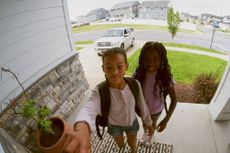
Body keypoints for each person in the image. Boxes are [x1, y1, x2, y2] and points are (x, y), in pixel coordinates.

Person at [62, 48, 154, 153]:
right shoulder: (100, 91)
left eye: (119, 66)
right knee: (120, 145)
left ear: (126, 66)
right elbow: (89, 108)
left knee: (132, 144)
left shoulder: (135, 84)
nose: (115, 72)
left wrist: (149, 123)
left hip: (131, 123)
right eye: (109, 68)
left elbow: (143, 106)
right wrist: (81, 127)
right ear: (103, 68)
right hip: (114, 127)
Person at [133, 41, 177, 143]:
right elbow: (133, 93)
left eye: (156, 59)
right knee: (144, 124)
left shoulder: (165, 78)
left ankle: (151, 137)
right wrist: (136, 108)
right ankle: (146, 133)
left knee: (152, 125)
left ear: (162, 60)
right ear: (142, 59)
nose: (151, 62)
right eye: (147, 59)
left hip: (155, 111)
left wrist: (166, 120)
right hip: (141, 111)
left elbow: (174, 101)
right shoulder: (137, 75)